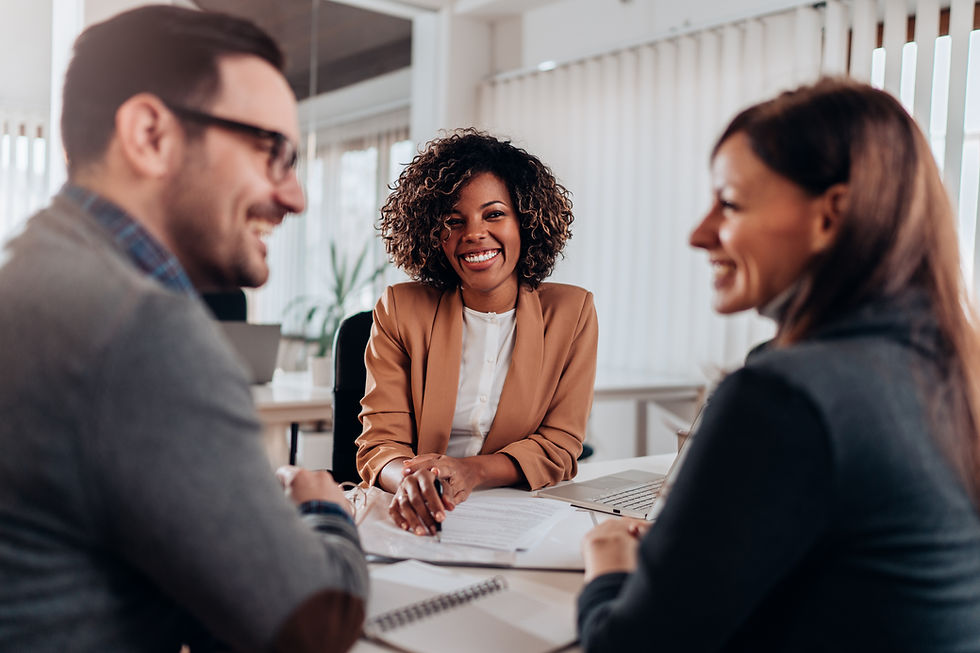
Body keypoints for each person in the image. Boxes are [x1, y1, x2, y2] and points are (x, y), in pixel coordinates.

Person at [0, 6, 368, 652]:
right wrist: (325, 507)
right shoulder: (139, 329)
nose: (296, 196)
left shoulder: (30, 278)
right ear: (150, 135)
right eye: (271, 151)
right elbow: (314, 624)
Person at [577, 78, 980, 651]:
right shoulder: (950, 370)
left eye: (730, 203)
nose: (699, 233)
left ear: (831, 216)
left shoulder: (786, 396)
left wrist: (608, 561)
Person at [356, 129, 598, 536]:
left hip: (517, 516)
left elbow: (559, 445)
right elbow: (380, 444)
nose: (473, 233)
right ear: (434, 234)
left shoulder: (571, 312)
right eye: (454, 220)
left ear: (526, 220)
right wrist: (412, 481)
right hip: (413, 514)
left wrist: (470, 472)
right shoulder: (400, 309)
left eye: (494, 214)